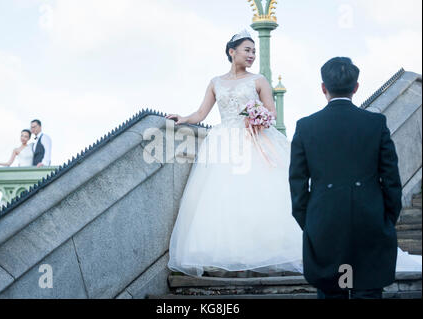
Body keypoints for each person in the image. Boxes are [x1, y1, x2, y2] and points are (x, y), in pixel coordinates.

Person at [165, 29, 304, 278]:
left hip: (255, 140)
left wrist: (259, 118)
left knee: (261, 194)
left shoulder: (259, 80)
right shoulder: (215, 82)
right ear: (232, 52)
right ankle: (234, 256)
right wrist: (182, 118)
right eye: (246, 50)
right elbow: (200, 115)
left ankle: (267, 252)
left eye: (253, 51)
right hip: (224, 143)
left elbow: (271, 112)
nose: (251, 55)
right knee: (224, 198)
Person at [289, 57, 421, 299]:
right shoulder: (375, 123)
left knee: (331, 293)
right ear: (356, 87)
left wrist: (310, 223)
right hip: (369, 220)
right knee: (368, 292)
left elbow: (297, 183)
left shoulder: (306, 126)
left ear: (323, 88)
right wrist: (386, 219)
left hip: (325, 223)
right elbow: (391, 179)